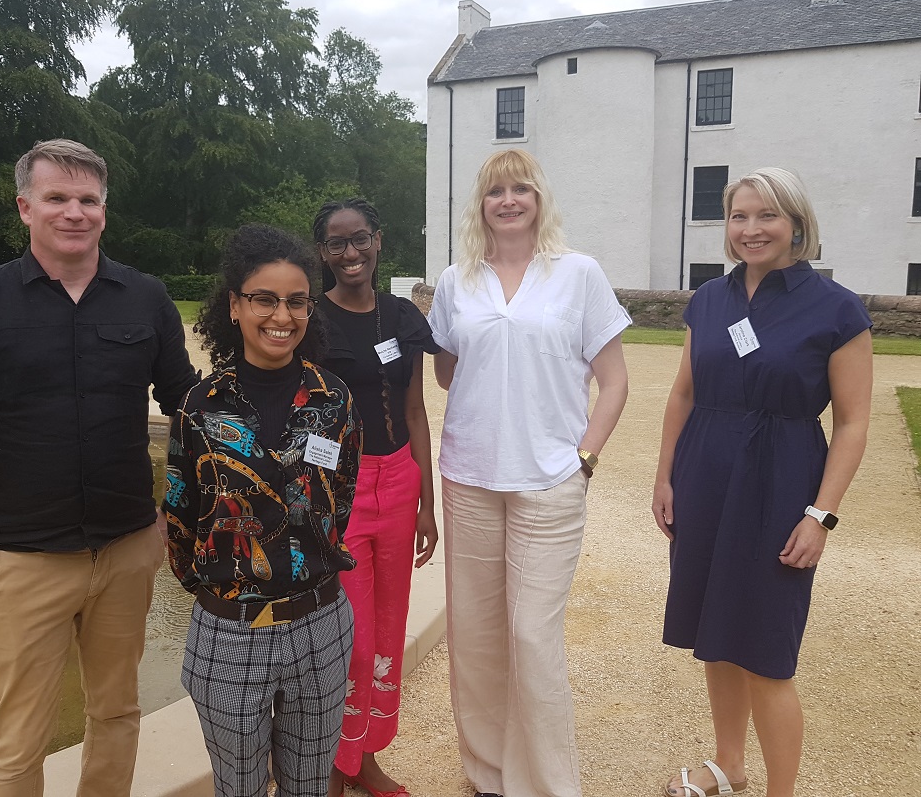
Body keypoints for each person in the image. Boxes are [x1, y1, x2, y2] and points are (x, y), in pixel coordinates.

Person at [0, 138, 197, 797]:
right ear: (25, 207)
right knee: (17, 739)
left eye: (88, 199)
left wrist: (178, 518)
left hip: (126, 550)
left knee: (117, 713)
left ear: (104, 211)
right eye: (57, 198)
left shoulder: (145, 298)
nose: (74, 212)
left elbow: (190, 409)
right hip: (27, 560)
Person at [652, 167, 872, 797]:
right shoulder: (710, 300)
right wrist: (665, 477)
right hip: (706, 478)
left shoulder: (836, 309)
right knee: (715, 634)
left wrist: (820, 515)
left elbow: (853, 422)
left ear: (797, 224)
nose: (751, 229)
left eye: (767, 216)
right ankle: (730, 765)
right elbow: (683, 392)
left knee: (766, 650)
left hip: (781, 486)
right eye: (739, 216)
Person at [428, 148, 630, 797]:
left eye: (520, 189)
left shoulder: (578, 274)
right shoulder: (458, 279)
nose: (508, 200)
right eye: (495, 191)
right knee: (476, 635)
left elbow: (615, 382)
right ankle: (488, 774)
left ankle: (544, 786)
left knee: (532, 638)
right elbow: (446, 366)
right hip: (469, 477)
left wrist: (586, 459)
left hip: (551, 480)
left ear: (539, 199)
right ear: (480, 205)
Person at [163, 223, 361, 797]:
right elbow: (179, 516)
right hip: (229, 632)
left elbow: (339, 499)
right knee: (240, 788)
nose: (282, 315)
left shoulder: (334, 400)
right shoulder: (200, 408)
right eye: (265, 299)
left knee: (308, 786)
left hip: (320, 627)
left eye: (296, 301)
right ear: (234, 306)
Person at [312, 199, 439, 797]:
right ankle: (336, 765)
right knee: (350, 638)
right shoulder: (310, 320)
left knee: (388, 631)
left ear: (378, 241)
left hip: (399, 482)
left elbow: (415, 410)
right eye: (336, 243)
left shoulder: (402, 316)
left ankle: (362, 759)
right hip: (341, 489)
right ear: (322, 253)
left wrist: (427, 504)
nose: (349, 253)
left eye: (358, 239)